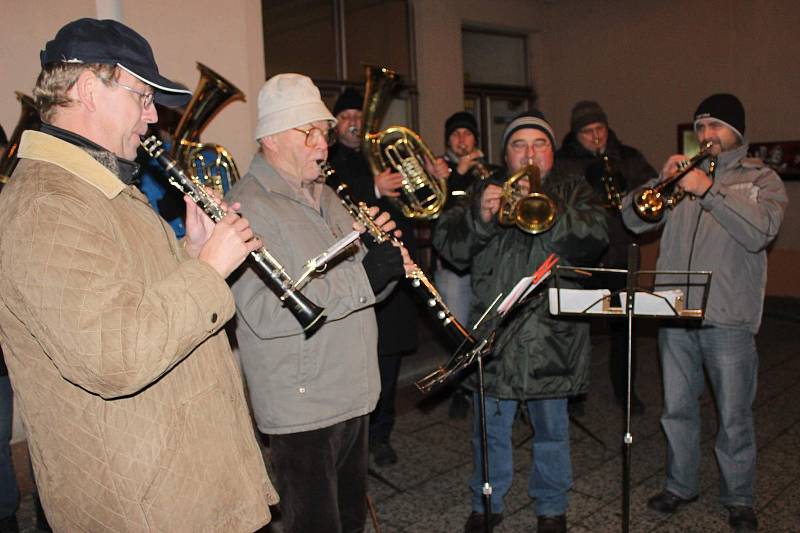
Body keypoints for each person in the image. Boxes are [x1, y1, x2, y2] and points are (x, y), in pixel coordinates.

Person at [0, 18, 277, 532]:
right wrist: (209, 271)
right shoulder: (45, 206)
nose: (153, 118)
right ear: (88, 90)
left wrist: (191, 254)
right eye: (142, 98)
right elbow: (115, 355)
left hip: (177, 482)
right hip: (144, 506)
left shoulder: (95, 187)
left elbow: (128, 290)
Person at [227, 73, 414, 533]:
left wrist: (388, 267)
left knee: (350, 523)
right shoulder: (246, 206)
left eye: (324, 132)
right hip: (303, 406)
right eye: (307, 131)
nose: (323, 143)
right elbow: (266, 312)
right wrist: (365, 276)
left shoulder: (329, 197)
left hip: (354, 391)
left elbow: (360, 290)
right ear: (270, 137)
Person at [434, 110, 608, 533]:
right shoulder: (483, 189)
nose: (529, 153)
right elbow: (449, 246)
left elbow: (595, 241)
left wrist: (552, 211)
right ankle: (486, 502)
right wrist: (482, 216)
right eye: (519, 145)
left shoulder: (574, 189)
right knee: (489, 432)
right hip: (494, 336)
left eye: (539, 144)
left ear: (551, 150)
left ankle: (551, 507)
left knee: (552, 430)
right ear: (506, 153)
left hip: (554, 335)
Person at [622, 93, 787, 532]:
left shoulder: (762, 179)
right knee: (676, 409)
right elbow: (633, 220)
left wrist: (709, 192)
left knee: (733, 416)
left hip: (728, 318)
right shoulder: (684, 178)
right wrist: (660, 182)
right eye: (700, 127)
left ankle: (738, 497)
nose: (706, 135)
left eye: (715, 126)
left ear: (738, 132)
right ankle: (680, 485)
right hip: (675, 313)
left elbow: (760, 232)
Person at [327, 87, 418, 466]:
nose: (354, 124)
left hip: (393, 269)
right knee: (357, 361)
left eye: (359, 118)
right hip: (355, 271)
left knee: (389, 361)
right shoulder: (328, 161)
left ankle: (382, 434)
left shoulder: (381, 155)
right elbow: (329, 200)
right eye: (346, 117)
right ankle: (354, 439)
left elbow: (418, 204)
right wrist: (374, 188)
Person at [556, 100, 657, 415]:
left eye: (599, 129)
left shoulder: (628, 157)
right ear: (576, 134)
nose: (595, 137)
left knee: (625, 329)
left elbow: (653, 194)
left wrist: (632, 191)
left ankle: (626, 392)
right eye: (587, 132)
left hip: (619, 254)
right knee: (575, 330)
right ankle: (574, 393)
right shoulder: (564, 161)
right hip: (581, 258)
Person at [437, 111, 497, 420]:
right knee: (459, 327)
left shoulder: (488, 170)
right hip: (454, 267)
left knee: (487, 327)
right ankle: (460, 387)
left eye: (467, 134)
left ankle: (484, 383)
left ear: (476, 139)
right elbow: (443, 214)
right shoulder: (439, 168)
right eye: (455, 134)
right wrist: (456, 176)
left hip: (486, 264)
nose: (461, 140)